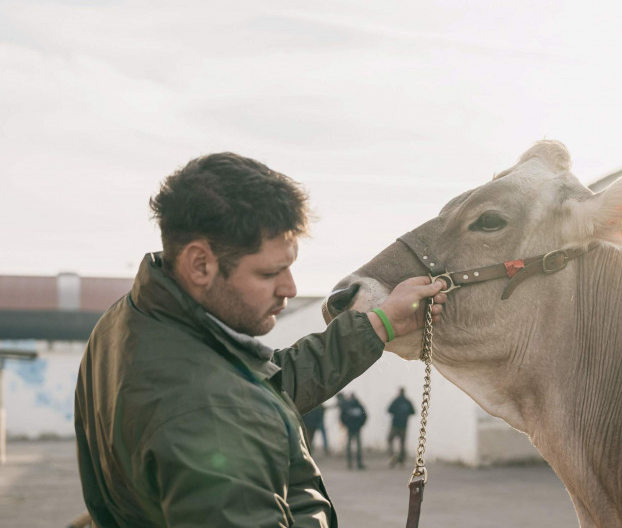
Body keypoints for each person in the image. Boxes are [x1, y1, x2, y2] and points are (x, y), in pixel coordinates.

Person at [73, 152, 447, 528]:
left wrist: (381, 324)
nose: (290, 288)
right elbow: (228, 406)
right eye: (270, 273)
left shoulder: (129, 321)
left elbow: (262, 389)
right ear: (199, 264)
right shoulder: (211, 415)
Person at [386, 387, 416, 468]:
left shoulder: (396, 401)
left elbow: (389, 410)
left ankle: (393, 455)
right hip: (404, 426)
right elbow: (413, 412)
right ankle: (401, 461)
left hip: (395, 425)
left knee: (390, 440)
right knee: (402, 444)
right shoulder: (407, 401)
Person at [341, 393, 367, 470]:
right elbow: (365, 416)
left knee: (349, 446)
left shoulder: (347, 406)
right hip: (356, 429)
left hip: (351, 428)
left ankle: (350, 463)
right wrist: (360, 425)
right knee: (357, 446)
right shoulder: (359, 406)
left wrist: (347, 425)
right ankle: (358, 463)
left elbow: (342, 417)